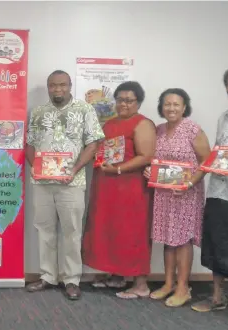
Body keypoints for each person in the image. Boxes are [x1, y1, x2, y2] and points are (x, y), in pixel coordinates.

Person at [25, 70, 104, 300]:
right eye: (52, 85)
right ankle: (48, 276)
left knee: (71, 231)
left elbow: (93, 143)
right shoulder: (38, 112)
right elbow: (30, 143)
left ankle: (71, 280)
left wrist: (75, 168)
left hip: (72, 182)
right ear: (48, 87)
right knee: (44, 229)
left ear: (70, 86)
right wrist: (34, 166)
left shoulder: (84, 109)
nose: (57, 90)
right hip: (42, 182)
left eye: (62, 85)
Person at [82, 81, 156, 299]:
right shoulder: (110, 123)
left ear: (138, 102)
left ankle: (141, 284)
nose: (124, 104)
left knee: (133, 233)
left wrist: (118, 169)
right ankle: (116, 276)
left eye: (129, 100)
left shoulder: (143, 124)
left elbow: (146, 156)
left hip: (131, 188)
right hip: (108, 186)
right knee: (111, 230)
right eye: (120, 99)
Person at [191, 64, 228, 325]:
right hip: (218, 192)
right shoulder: (223, 117)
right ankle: (217, 297)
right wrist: (210, 165)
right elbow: (218, 151)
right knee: (216, 244)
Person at [143, 89, 211, 307]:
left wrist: (189, 183)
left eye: (176, 104)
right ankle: (168, 283)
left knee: (183, 239)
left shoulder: (193, 129)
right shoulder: (159, 130)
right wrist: (149, 171)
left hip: (186, 193)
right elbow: (157, 161)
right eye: (167, 104)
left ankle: (183, 287)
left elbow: (206, 161)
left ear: (184, 107)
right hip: (164, 193)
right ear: (161, 107)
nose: (171, 108)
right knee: (167, 238)